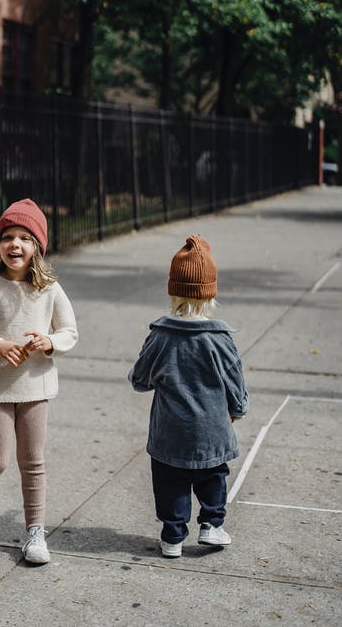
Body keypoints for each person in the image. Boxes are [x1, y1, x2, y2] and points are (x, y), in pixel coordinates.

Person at [0, 198, 78, 564]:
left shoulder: (50, 289)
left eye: (25, 237)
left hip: (35, 386)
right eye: (8, 237)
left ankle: (35, 532)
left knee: (33, 461)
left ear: (38, 245)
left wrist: (50, 342)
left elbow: (69, 330)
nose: (15, 244)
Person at [128, 234, 248, 558]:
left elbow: (140, 379)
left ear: (173, 290)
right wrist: (238, 407)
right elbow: (234, 379)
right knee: (212, 476)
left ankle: (172, 536)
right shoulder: (219, 339)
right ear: (210, 293)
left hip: (170, 432)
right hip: (211, 429)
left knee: (170, 482)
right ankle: (211, 524)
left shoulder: (161, 335)